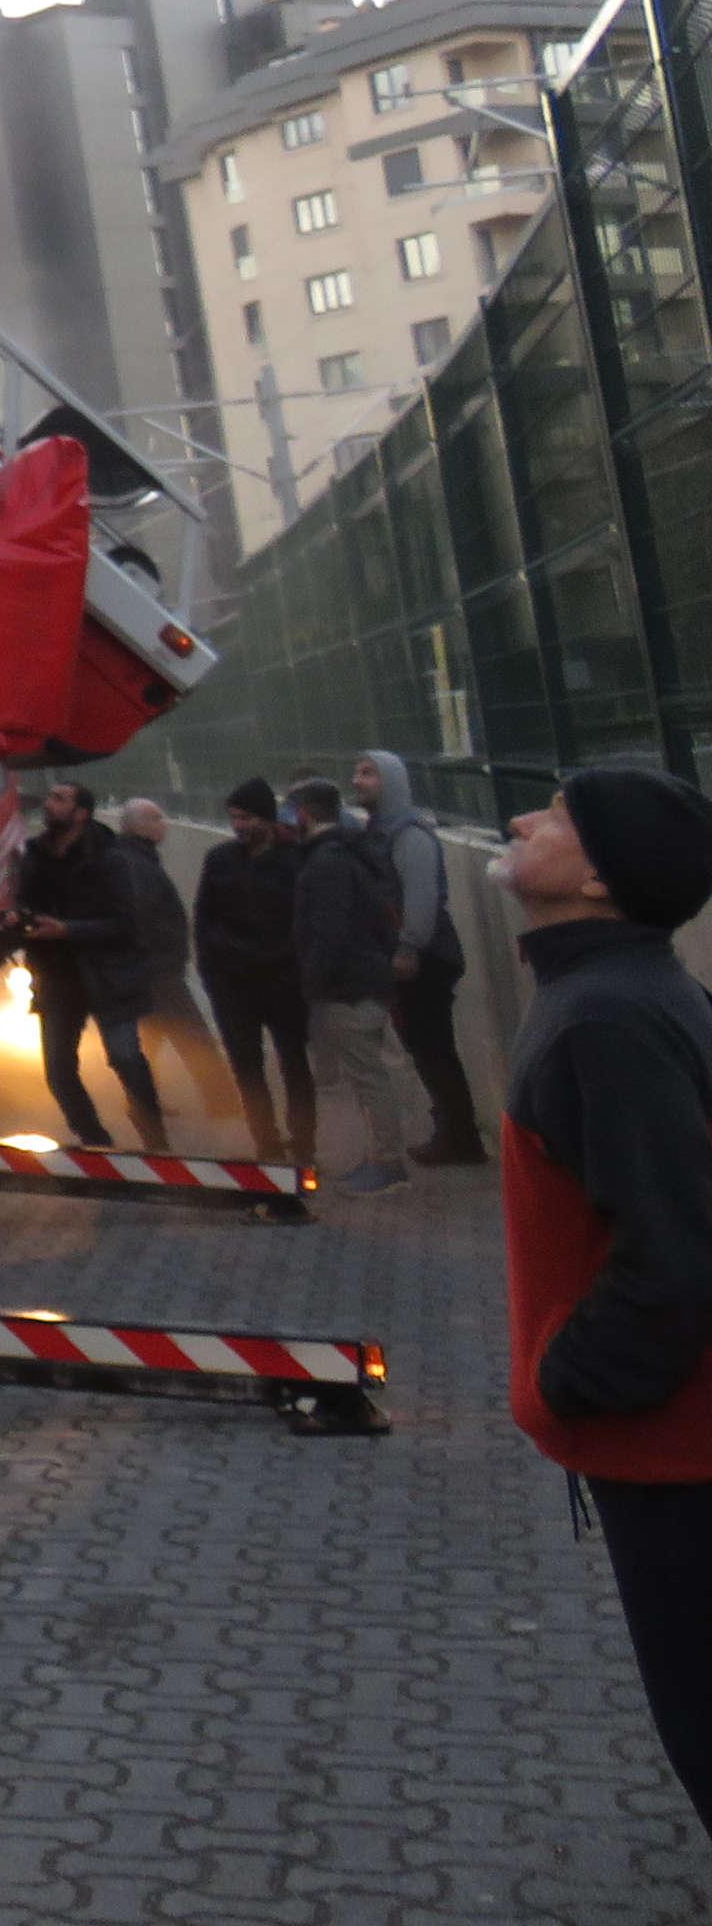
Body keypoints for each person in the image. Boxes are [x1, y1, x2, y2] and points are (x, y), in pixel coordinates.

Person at [488, 763, 712, 1842]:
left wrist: (563, 1384)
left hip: (675, 1459)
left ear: (596, 881)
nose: (523, 819)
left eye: (559, 818)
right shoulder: (620, 994)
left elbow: (673, 1254)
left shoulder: (603, 1019)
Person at [0, 780, 168, 1150]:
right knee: (58, 1069)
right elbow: (26, 903)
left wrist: (68, 930)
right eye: (51, 796)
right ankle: (96, 1143)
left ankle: (157, 1144)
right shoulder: (34, 855)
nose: (49, 804)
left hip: (108, 974)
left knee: (125, 1059)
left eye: (60, 799)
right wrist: (17, 920)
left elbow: (126, 923)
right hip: (57, 977)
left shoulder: (111, 857)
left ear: (81, 813)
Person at [357, 749, 489, 1165]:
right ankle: (450, 1132)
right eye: (358, 772)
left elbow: (421, 898)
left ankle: (461, 1139)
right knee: (425, 1048)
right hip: (408, 954)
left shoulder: (409, 835)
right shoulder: (382, 831)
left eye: (368, 774)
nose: (357, 780)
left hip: (425, 958)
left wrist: (408, 947)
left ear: (391, 782)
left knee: (434, 1049)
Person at [291, 777, 422, 1195]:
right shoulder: (352, 852)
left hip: (347, 987)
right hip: (365, 979)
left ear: (304, 814)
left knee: (368, 1076)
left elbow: (329, 930)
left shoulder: (325, 862)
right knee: (370, 1073)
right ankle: (383, 1157)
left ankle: (387, 1162)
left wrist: (312, 985)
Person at [189, 777, 317, 1164]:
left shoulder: (295, 862)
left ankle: (304, 1141)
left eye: (246, 817)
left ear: (265, 817)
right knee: (247, 1068)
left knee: (294, 1063)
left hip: (283, 982)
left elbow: (305, 922)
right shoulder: (220, 859)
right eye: (234, 818)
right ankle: (266, 1140)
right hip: (234, 987)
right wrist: (214, 974)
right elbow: (204, 920)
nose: (240, 826)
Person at [111, 799, 239, 1132]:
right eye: (155, 818)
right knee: (193, 1036)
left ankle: (141, 1099)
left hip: (150, 968)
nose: (163, 824)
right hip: (158, 970)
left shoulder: (134, 858)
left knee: (151, 1038)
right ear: (136, 826)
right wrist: (161, 958)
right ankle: (222, 1103)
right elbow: (140, 916)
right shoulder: (134, 863)